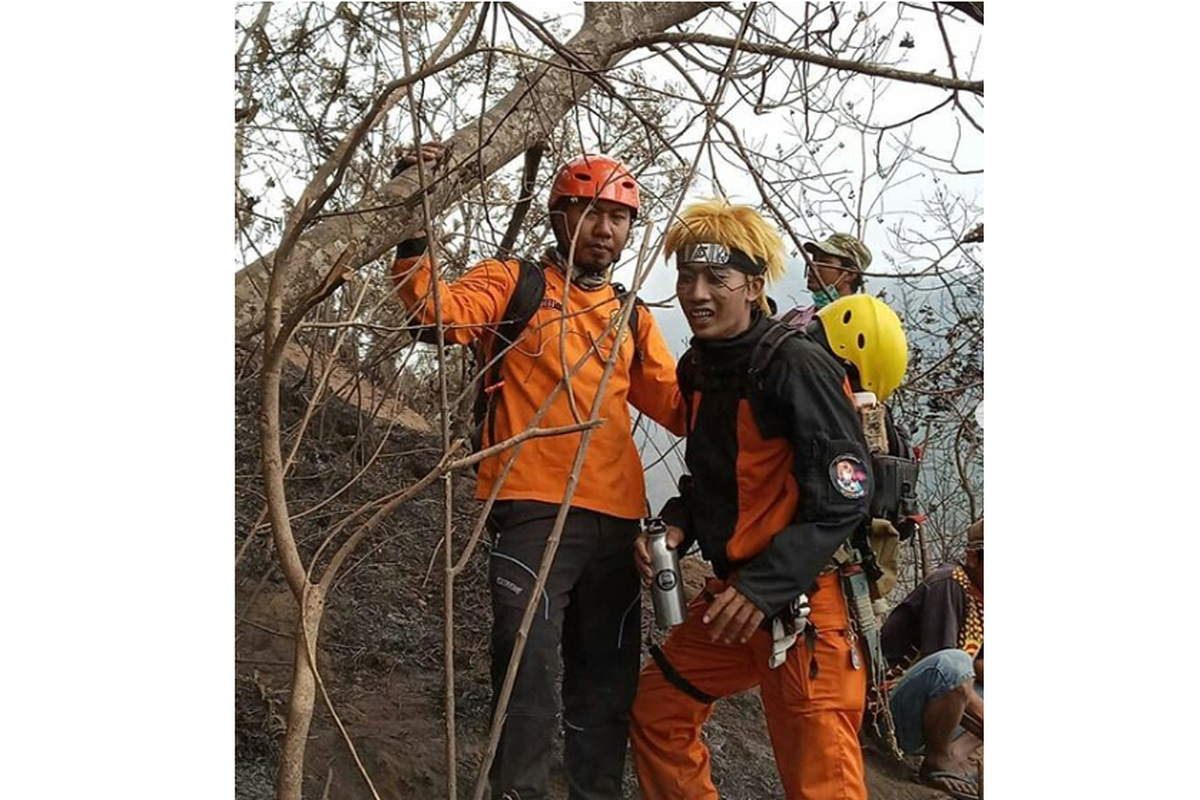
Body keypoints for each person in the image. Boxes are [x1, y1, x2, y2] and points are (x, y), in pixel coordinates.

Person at [391, 146, 687, 800]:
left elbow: (680, 406)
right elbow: (434, 315)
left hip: (617, 523)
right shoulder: (512, 282)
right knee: (523, 662)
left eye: (618, 217)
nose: (605, 229)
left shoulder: (633, 316)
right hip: (529, 508)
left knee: (605, 680)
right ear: (560, 216)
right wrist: (414, 213)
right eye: (590, 211)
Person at [628, 198, 876, 800]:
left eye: (718, 278)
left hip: (806, 610)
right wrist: (677, 526)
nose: (697, 291)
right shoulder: (699, 367)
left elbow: (847, 496)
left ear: (754, 285)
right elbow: (712, 479)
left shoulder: (796, 365)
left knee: (821, 786)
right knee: (658, 712)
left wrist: (765, 586)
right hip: (735, 602)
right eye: (687, 276)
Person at [881, 518, 985, 800]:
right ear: (973, 557)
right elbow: (948, 672)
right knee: (954, 664)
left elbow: (979, 664)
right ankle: (938, 761)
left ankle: (956, 760)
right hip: (888, 713)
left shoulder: (983, 598)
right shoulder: (948, 583)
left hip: (935, 712)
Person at [781, 232, 873, 331]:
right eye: (814, 259)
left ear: (850, 274)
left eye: (824, 262)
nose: (813, 266)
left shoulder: (858, 328)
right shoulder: (793, 318)